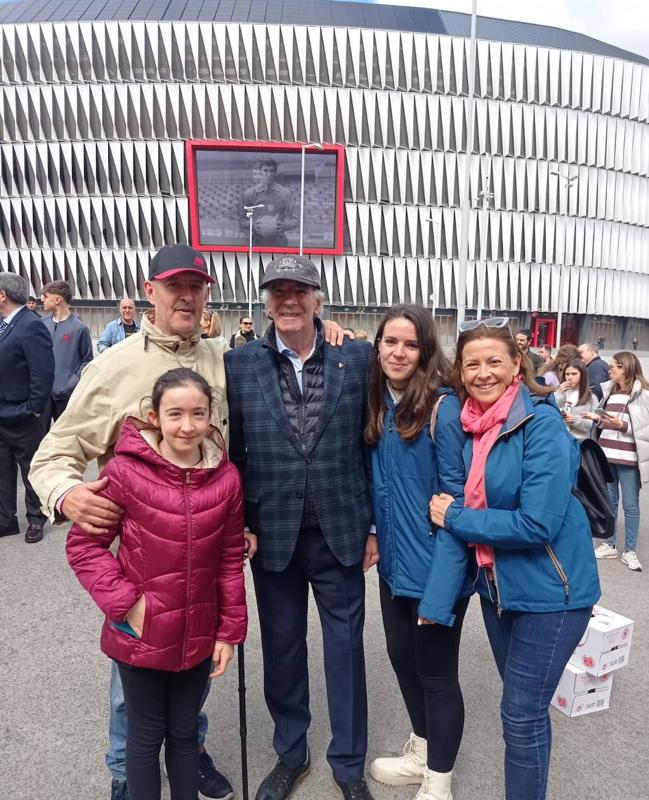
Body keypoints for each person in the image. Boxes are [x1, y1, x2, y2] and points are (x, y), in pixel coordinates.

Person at [30, 243, 345, 800]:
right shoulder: (114, 365)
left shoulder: (223, 358)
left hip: (203, 558)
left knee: (190, 670)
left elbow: (264, 392)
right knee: (134, 693)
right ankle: (128, 778)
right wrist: (67, 495)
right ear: (149, 292)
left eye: (196, 286)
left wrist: (324, 330)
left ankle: (189, 754)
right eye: (174, 286)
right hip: (145, 568)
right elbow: (53, 454)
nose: (186, 296)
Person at [429, 317, 600, 800]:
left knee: (520, 715)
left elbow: (536, 524)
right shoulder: (469, 425)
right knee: (526, 710)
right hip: (498, 589)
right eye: (472, 364)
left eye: (493, 362)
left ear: (515, 366)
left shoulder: (541, 424)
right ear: (460, 372)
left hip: (552, 592)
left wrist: (455, 517)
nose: (483, 373)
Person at [224, 254, 375, 800]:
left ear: (317, 298)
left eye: (300, 289)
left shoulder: (356, 358)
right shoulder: (239, 365)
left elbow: (371, 446)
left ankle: (349, 763)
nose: (288, 299)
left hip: (341, 532)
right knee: (282, 648)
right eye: (278, 290)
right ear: (265, 300)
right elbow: (233, 453)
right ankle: (291, 752)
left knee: (346, 650)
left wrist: (375, 526)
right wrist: (239, 522)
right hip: (273, 535)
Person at [67, 368, 247, 800]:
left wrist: (229, 631)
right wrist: (128, 604)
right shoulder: (126, 473)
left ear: (211, 417)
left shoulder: (226, 480)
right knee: (144, 739)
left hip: (199, 635)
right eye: (175, 414)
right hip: (140, 635)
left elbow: (229, 562)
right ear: (154, 416)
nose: (187, 425)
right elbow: (84, 547)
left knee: (185, 737)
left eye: (198, 414)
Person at [365, 305, 471, 800]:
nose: (399, 352)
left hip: (436, 570)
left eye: (410, 344)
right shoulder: (380, 402)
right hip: (394, 566)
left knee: (437, 675)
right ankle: (423, 751)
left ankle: (439, 781)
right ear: (378, 346)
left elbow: (456, 506)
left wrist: (441, 592)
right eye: (390, 342)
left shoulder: (441, 409)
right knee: (402, 660)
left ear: (426, 351)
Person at [0, 273, 54, 544]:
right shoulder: (5, 324)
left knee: (30, 469)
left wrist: (34, 409)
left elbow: (43, 372)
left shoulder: (29, 324)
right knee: (2, 469)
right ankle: (6, 520)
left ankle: (36, 518)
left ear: (3, 295)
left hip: (22, 415)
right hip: (2, 414)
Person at [582, 351, 649, 572]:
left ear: (626, 368)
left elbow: (644, 429)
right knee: (609, 503)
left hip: (629, 458)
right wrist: (598, 419)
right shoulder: (609, 391)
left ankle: (629, 551)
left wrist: (622, 426)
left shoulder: (643, 394)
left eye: (614, 366)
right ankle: (609, 544)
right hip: (607, 455)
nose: (609, 370)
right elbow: (607, 425)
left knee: (631, 506)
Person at [41, 280, 94, 423]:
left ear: (57, 299)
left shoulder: (79, 328)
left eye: (45, 296)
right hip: (43, 395)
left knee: (64, 439)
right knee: (38, 440)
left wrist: (70, 383)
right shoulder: (41, 324)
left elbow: (87, 359)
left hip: (66, 396)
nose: (42, 299)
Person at [239, 159, 298, 248]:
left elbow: (296, 220)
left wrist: (285, 226)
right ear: (260, 172)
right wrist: (253, 225)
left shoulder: (284, 193)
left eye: (271, 171)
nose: (268, 174)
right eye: (265, 170)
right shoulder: (250, 194)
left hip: (279, 242)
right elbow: (242, 220)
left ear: (275, 173)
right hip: (257, 242)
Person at [553, 359, 598, 440]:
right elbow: (550, 411)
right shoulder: (559, 392)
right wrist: (558, 393)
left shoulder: (590, 397)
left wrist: (576, 420)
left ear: (582, 375)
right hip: (559, 439)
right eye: (567, 374)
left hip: (580, 441)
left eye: (574, 374)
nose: (570, 377)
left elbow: (593, 424)